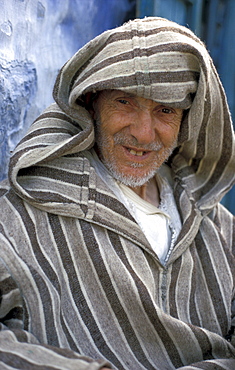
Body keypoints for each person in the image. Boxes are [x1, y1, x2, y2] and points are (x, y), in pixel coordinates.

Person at [0, 16, 234, 370]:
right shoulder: (22, 210)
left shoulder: (215, 223)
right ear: (92, 103)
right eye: (125, 103)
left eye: (165, 110)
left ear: (187, 122)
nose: (143, 133)